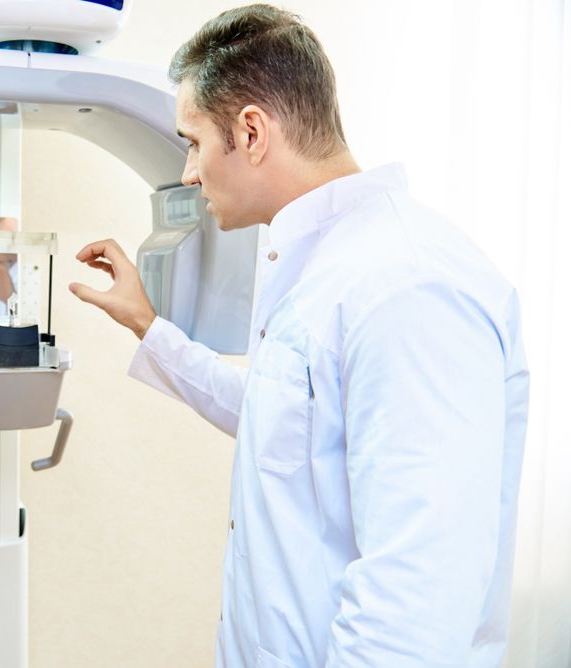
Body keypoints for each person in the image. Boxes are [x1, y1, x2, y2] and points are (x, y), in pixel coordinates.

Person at [69, 5, 529, 667]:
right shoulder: (324, 264)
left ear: (251, 131)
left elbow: (416, 599)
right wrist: (148, 324)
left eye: (193, 142)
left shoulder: (407, 285)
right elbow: (285, 419)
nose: (190, 173)